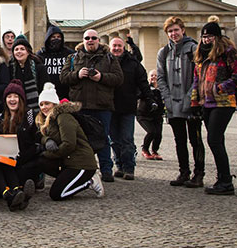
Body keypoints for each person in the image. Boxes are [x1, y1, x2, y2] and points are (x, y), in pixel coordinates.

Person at [60, 29, 123, 183]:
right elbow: (63, 77)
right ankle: (80, 169)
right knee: (80, 139)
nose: (90, 40)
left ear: (98, 40)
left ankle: (106, 170)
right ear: (83, 40)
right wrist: (77, 75)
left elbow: (119, 79)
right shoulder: (73, 57)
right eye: (87, 38)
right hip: (79, 106)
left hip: (102, 105)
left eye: (93, 38)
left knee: (104, 139)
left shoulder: (109, 58)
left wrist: (101, 77)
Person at [190, 20, 237, 196]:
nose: (206, 40)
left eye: (210, 36)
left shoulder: (228, 51)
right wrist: (194, 102)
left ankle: (226, 181)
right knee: (215, 141)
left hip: (223, 102)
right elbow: (196, 80)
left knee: (214, 139)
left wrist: (220, 87)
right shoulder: (200, 55)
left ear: (217, 37)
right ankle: (223, 179)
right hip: (206, 102)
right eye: (204, 37)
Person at [156, 16, 205, 188]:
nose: (173, 33)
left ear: (183, 30)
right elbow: (160, 77)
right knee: (179, 140)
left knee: (195, 139)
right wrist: (167, 98)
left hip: (191, 103)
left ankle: (199, 173)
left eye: (176, 30)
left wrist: (189, 97)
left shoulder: (194, 49)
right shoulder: (163, 52)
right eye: (170, 31)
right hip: (172, 103)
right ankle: (183, 171)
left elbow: (199, 77)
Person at [36, 94, 104, 201]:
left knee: (57, 194)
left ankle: (89, 182)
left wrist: (48, 154)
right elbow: (43, 136)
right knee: (41, 161)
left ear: (54, 104)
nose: (44, 107)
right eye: (41, 104)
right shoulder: (49, 119)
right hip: (68, 162)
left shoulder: (64, 117)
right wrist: (47, 140)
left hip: (81, 163)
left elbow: (69, 144)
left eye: (47, 103)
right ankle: (69, 181)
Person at [109, 37, 153, 180]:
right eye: (114, 46)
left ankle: (129, 167)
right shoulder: (105, 61)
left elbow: (143, 82)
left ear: (124, 47)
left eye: (119, 46)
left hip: (127, 107)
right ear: (110, 47)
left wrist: (150, 99)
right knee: (114, 140)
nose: (116, 48)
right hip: (110, 106)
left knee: (127, 139)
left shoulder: (133, 63)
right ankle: (120, 166)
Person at [0, 79, 41, 186]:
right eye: (9, 96)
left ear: (21, 99)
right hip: (8, 161)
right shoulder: (0, 118)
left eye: (15, 96)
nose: (12, 99)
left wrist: (22, 157)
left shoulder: (30, 115)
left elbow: (36, 142)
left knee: (21, 174)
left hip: (26, 160)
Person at [9, 35, 49, 111]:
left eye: (22, 49)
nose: (19, 51)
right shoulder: (10, 68)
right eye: (16, 49)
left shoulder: (39, 67)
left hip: (37, 107)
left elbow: (45, 88)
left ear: (28, 52)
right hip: (17, 107)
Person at [37, 25, 73, 100]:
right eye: (53, 37)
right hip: (46, 94)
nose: (56, 39)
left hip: (66, 95)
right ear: (48, 38)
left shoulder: (69, 53)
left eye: (58, 37)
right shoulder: (41, 54)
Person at [137, 70, 164, 160]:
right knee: (151, 131)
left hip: (157, 116)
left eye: (156, 75)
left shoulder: (162, 90)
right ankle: (145, 150)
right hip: (143, 115)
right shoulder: (145, 89)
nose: (154, 77)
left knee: (158, 134)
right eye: (152, 75)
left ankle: (154, 151)